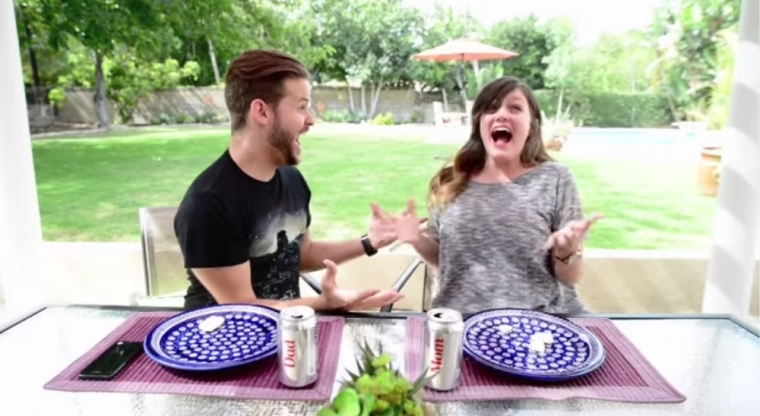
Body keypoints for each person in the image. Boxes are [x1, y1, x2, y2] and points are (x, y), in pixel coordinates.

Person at [174, 49, 404, 311]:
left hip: (289, 331)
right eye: (301, 106)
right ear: (261, 111)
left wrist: (368, 242)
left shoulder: (291, 180)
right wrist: (324, 304)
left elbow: (301, 256)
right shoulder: (208, 204)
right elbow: (241, 306)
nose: (310, 120)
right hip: (223, 340)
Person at [396, 76, 602, 315]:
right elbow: (444, 259)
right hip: (463, 323)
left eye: (515, 108)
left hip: (543, 322)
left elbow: (571, 277)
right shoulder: (450, 180)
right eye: (491, 108)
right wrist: (416, 239)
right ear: (480, 123)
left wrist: (567, 252)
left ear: (531, 125)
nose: (501, 114)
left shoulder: (555, 178)